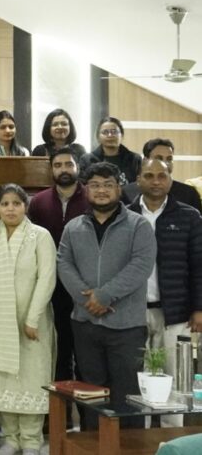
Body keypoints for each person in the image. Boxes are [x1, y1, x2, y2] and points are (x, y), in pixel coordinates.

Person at [57, 162, 156, 430]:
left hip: (127, 326)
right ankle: (93, 444)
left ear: (119, 188)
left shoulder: (139, 225)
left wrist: (105, 295)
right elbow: (63, 263)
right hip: (85, 324)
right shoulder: (73, 227)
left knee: (128, 394)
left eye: (108, 185)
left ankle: (129, 446)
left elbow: (141, 265)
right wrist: (88, 300)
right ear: (86, 189)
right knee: (90, 392)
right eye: (95, 185)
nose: (101, 190)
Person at [128, 158, 202, 427]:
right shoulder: (126, 215)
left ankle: (171, 436)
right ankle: (143, 435)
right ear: (138, 180)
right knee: (140, 377)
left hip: (177, 312)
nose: (156, 181)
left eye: (162, 175)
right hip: (134, 311)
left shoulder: (189, 216)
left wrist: (199, 308)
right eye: (149, 175)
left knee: (175, 377)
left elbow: (199, 265)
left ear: (171, 179)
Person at [0, 183, 56, 455]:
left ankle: (31, 442)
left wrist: (32, 319)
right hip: (0, 322)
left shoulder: (40, 236)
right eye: (5, 204)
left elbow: (47, 278)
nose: (10, 209)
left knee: (31, 379)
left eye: (16, 203)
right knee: (5, 379)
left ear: (26, 206)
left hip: (32, 323)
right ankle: (11, 440)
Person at [27, 147, 90, 392]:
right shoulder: (39, 202)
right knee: (59, 348)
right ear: (51, 169)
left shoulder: (91, 197)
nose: (64, 169)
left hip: (85, 287)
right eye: (58, 165)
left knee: (85, 353)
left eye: (68, 164)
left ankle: (87, 411)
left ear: (77, 167)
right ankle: (61, 408)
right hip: (52, 286)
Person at [121, 138, 202, 212]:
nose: (165, 163)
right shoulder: (128, 192)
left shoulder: (188, 193)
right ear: (145, 160)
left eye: (169, 159)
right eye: (159, 158)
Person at [79, 117, 141, 185]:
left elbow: (139, 185)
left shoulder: (134, 159)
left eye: (114, 132)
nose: (110, 135)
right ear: (98, 137)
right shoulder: (87, 160)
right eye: (105, 132)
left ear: (122, 135)